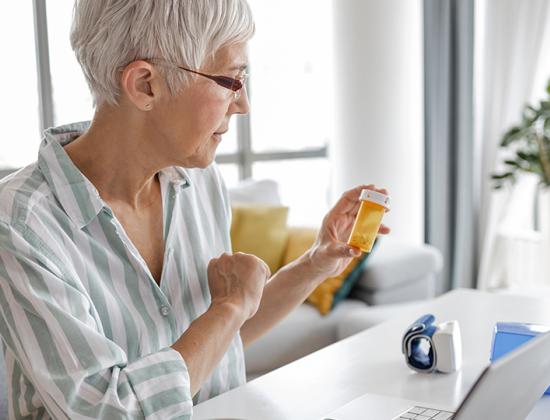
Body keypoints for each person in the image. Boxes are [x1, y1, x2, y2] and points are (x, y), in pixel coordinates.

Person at [0, 0, 390, 418]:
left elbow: (221, 343)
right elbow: (110, 411)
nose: (243, 105)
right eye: (231, 80)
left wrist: (315, 263)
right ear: (145, 85)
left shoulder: (199, 181)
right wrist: (227, 307)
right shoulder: (21, 224)